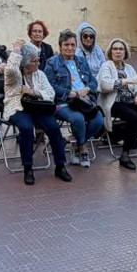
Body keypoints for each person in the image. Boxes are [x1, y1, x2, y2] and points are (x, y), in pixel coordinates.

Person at [3, 40, 69, 186]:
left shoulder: (39, 74)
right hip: (18, 108)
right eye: (34, 61)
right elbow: (11, 68)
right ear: (24, 62)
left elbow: (50, 93)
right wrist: (17, 49)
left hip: (38, 107)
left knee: (53, 126)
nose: (38, 63)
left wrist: (34, 92)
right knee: (26, 128)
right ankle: (28, 168)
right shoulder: (15, 75)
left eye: (38, 59)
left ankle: (60, 165)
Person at [43, 29, 103, 169]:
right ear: (60, 46)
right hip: (63, 102)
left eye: (72, 45)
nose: (70, 48)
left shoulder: (81, 61)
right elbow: (50, 86)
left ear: (76, 46)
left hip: (84, 101)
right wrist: (72, 93)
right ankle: (83, 148)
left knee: (98, 120)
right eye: (66, 44)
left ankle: (75, 145)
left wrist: (86, 90)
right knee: (78, 119)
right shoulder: (52, 62)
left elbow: (94, 81)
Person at [98, 38, 137, 171]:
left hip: (131, 101)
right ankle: (125, 155)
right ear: (110, 51)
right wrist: (126, 81)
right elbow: (104, 85)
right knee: (134, 117)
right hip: (114, 102)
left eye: (121, 49)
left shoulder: (129, 68)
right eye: (115, 49)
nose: (118, 51)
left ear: (125, 52)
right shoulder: (106, 66)